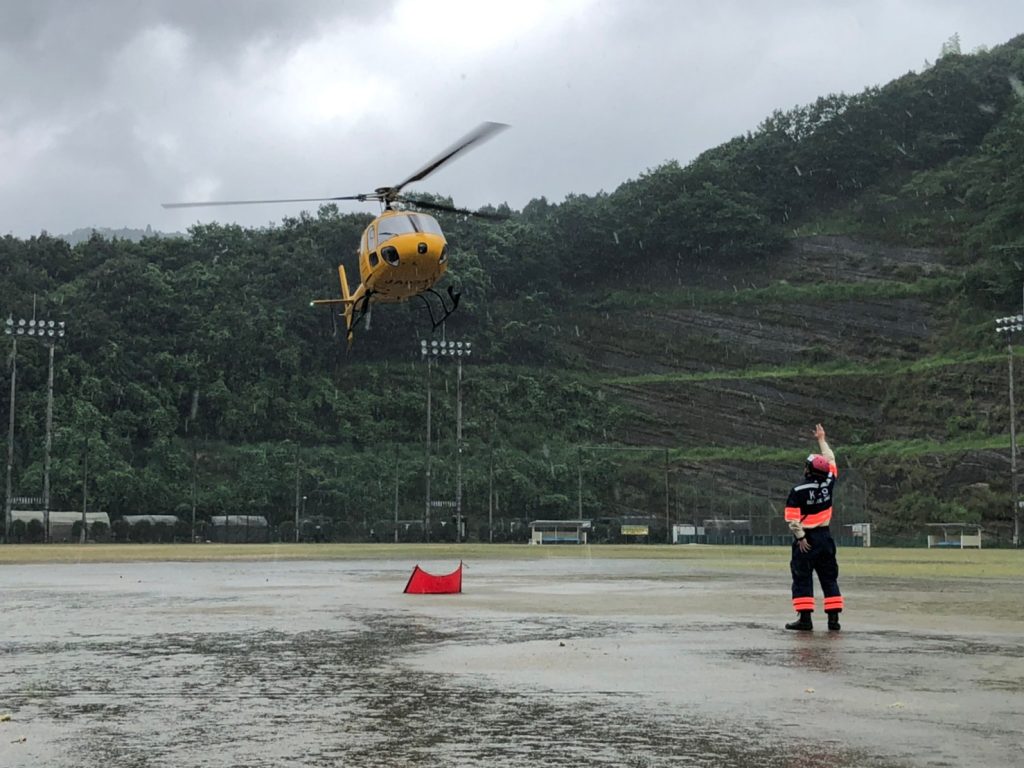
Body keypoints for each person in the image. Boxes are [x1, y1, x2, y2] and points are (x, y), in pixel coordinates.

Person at [783, 423, 844, 631]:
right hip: (825, 538)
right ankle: (833, 621)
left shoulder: (798, 490)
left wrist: (800, 538)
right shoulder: (829, 482)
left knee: (802, 577)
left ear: (808, 470)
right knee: (829, 577)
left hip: (806, 538)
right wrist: (821, 439)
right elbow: (831, 459)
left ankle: (805, 620)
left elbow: (792, 519)